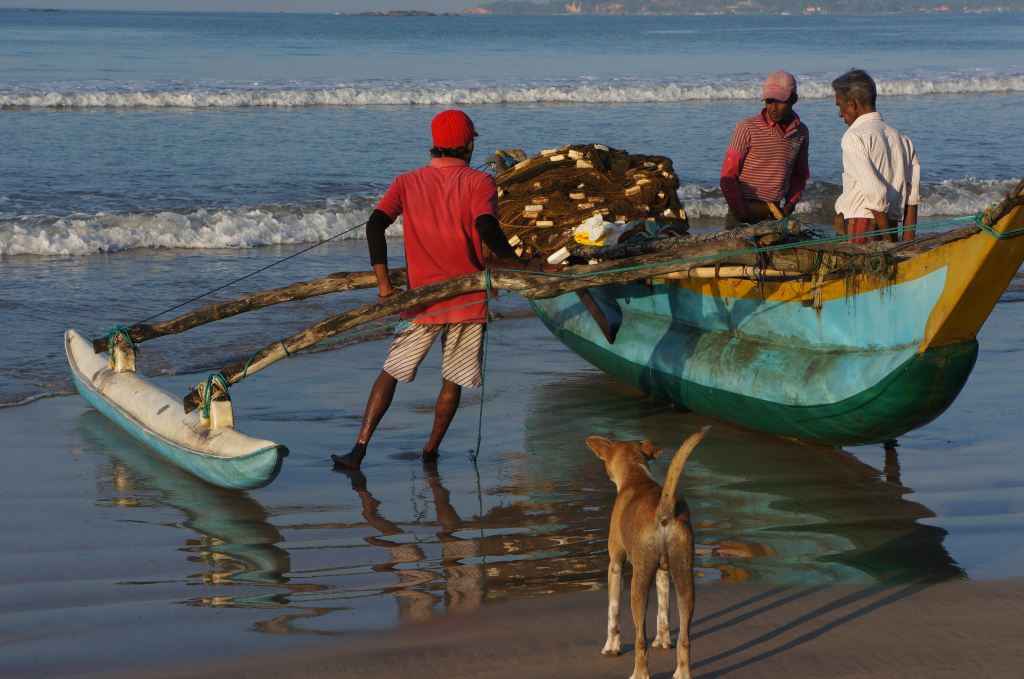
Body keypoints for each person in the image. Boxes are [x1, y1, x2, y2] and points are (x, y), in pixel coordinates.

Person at [332, 109, 534, 471]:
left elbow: (375, 225)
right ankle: (430, 453)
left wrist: (384, 286)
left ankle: (358, 450)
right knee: (452, 379)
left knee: (392, 371)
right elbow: (487, 226)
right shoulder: (479, 182)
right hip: (468, 297)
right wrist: (518, 264)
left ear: (436, 145)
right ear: (469, 143)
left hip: (421, 299)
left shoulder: (407, 181)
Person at [832, 68, 920, 244]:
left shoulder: (853, 137)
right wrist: (906, 246)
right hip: (892, 227)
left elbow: (876, 194)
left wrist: (888, 244)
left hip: (861, 227)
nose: (840, 113)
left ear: (853, 104)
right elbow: (912, 200)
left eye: (840, 105)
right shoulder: (902, 139)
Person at [720, 70, 810, 229]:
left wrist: (790, 204)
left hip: (774, 211)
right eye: (769, 101)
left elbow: (800, 174)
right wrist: (741, 212)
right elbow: (728, 176)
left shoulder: (801, 133)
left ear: (794, 99)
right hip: (743, 208)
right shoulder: (747, 128)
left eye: (780, 102)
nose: (773, 108)